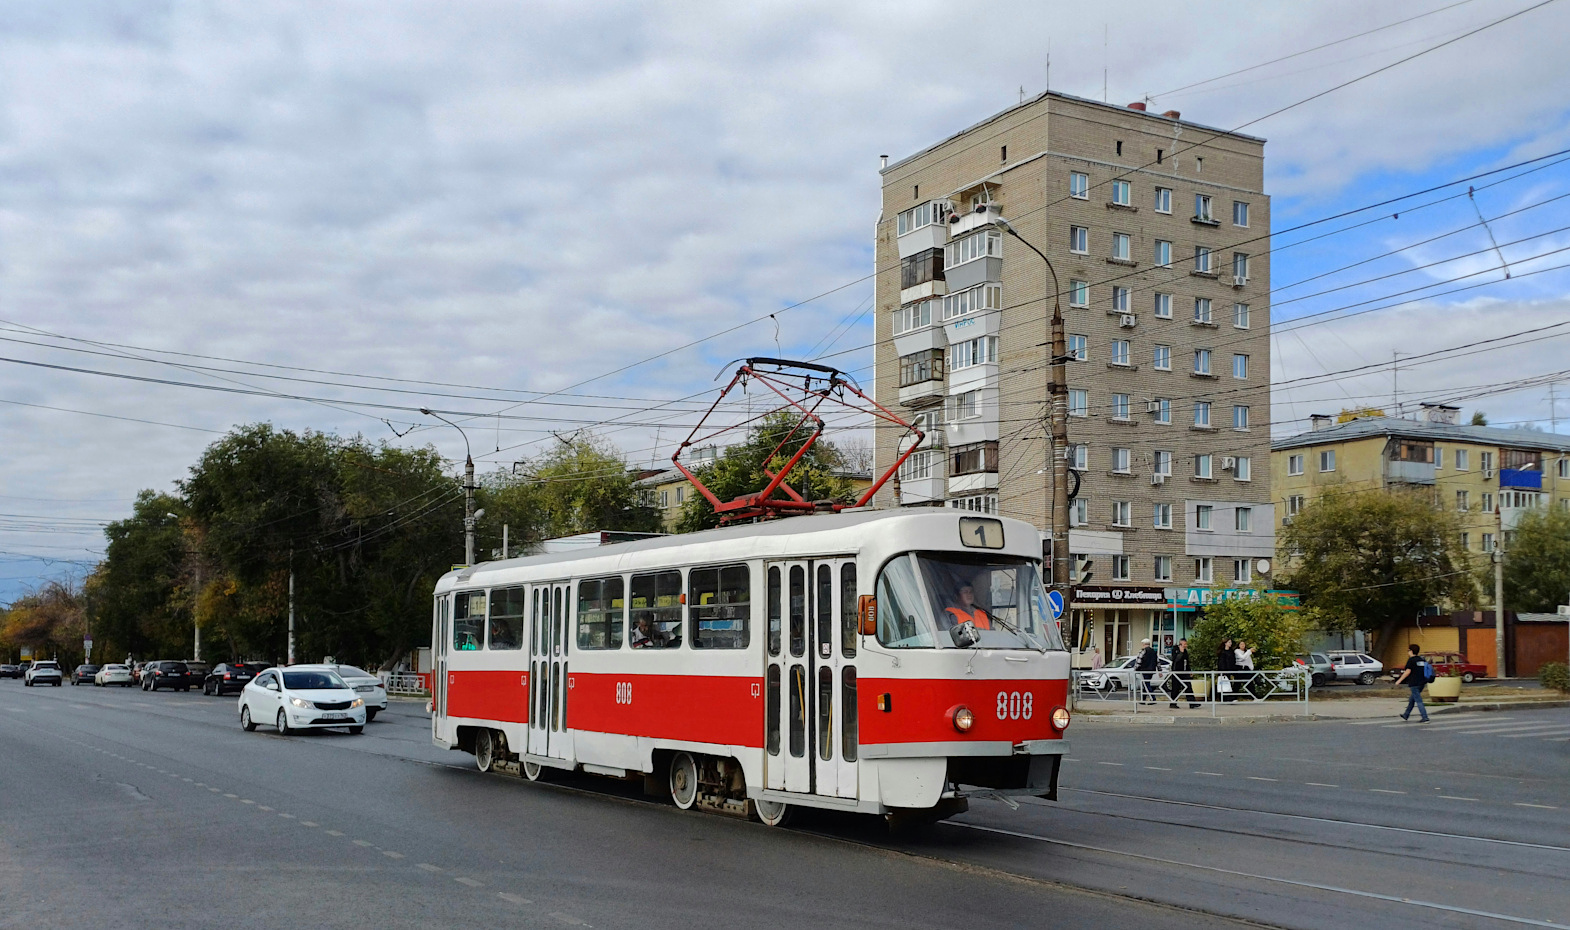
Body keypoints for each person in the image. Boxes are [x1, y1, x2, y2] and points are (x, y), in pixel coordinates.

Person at [1395, 643, 1431, 722]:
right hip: (1422, 682)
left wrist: (1399, 680)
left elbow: (1407, 672)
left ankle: (1425, 717)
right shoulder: (1422, 659)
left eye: (1408, 650)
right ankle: (1406, 714)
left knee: (1418, 701)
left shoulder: (1411, 660)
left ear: (1411, 651)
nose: (1408, 652)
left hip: (1414, 683)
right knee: (1412, 699)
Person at [1168, 638, 1200, 709]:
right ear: (1181, 644)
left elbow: (1187, 662)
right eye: (1184, 644)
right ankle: (1173, 703)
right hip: (1176, 672)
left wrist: (1189, 671)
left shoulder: (1185, 651)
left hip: (1184, 672)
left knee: (1188, 686)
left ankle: (1192, 703)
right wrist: (1181, 653)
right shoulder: (1175, 650)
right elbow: (1175, 660)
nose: (1186, 645)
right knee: (1176, 688)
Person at [1135, 638, 1160, 705]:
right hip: (1151, 670)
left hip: (1144, 670)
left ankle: (1153, 698)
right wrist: (1159, 670)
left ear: (1144, 644)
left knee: (1146, 684)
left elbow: (1138, 661)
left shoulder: (1143, 651)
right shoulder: (1153, 651)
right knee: (1145, 684)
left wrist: (1136, 669)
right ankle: (1143, 699)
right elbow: (1157, 661)